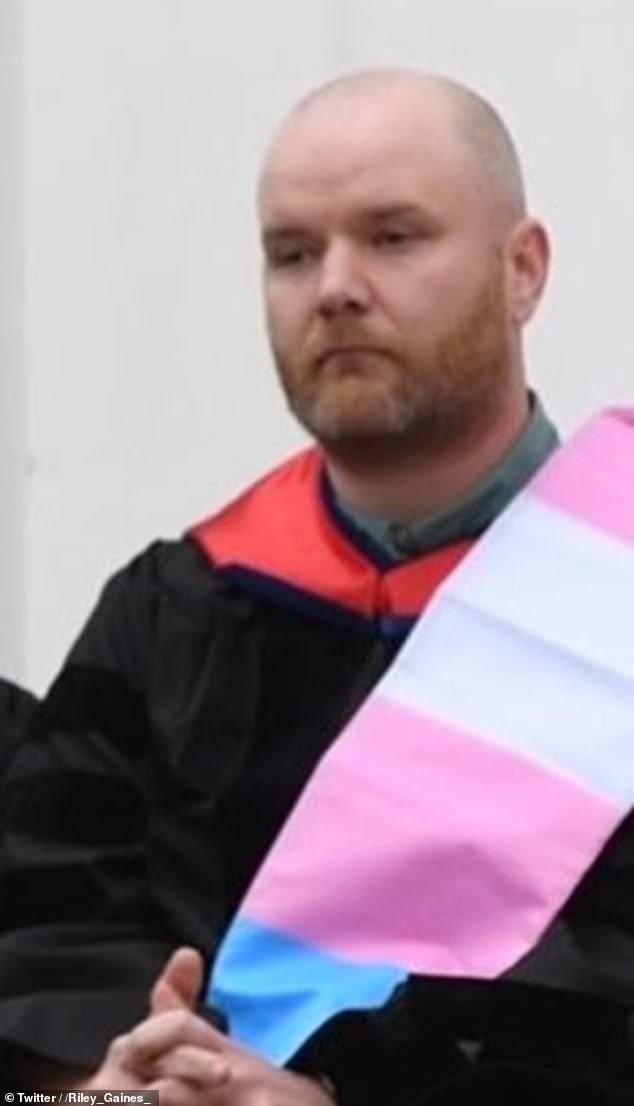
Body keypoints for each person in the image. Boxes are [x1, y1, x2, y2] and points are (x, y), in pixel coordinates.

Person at [0, 68, 632, 1105]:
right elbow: (52, 918)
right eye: (292, 251)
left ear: (523, 269)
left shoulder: (610, 594)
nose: (333, 285)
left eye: (392, 236)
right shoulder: (178, 604)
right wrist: (120, 1078)